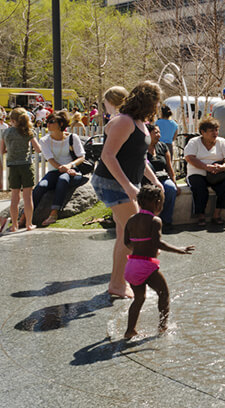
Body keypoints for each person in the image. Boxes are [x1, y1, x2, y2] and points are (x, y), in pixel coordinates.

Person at [92, 81, 164, 299]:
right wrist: (128, 186)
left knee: (125, 234)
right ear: (148, 102)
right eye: (156, 102)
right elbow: (108, 156)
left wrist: (154, 180)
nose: (157, 106)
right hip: (112, 184)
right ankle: (127, 282)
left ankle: (118, 283)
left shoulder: (139, 122)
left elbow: (139, 158)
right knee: (139, 233)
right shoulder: (124, 121)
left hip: (125, 184)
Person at [123, 185, 195, 339]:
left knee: (139, 299)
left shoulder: (131, 219)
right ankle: (163, 327)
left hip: (131, 266)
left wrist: (142, 247)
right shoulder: (155, 220)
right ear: (157, 203)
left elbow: (127, 242)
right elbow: (158, 243)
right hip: (146, 266)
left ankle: (130, 330)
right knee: (164, 293)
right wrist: (179, 249)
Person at [33, 110, 89, 227]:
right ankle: (25, 216)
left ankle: (54, 213)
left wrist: (69, 166)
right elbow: (50, 160)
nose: (48, 124)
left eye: (52, 121)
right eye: (47, 121)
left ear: (61, 124)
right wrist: (64, 168)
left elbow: (81, 157)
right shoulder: (44, 140)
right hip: (54, 171)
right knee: (41, 186)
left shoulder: (72, 138)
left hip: (73, 171)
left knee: (63, 179)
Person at [183, 117, 225, 227]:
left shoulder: (222, 142)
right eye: (211, 131)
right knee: (199, 187)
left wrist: (223, 166)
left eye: (216, 130)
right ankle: (201, 215)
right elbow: (189, 158)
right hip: (197, 172)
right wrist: (206, 167)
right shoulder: (194, 142)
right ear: (203, 132)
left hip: (217, 174)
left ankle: (217, 214)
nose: (215, 133)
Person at [0, 108, 43, 232]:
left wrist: (11, 150)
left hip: (13, 167)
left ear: (12, 120)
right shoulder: (28, 131)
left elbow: (2, 150)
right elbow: (38, 149)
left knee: (15, 197)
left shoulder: (6, 133)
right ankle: (29, 224)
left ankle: (14, 225)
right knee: (28, 197)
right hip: (26, 165)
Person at [146, 124, 178, 231]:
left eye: (159, 132)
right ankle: (150, 221)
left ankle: (166, 221)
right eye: (155, 132)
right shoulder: (141, 148)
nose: (158, 135)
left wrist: (175, 183)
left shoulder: (163, 146)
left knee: (171, 189)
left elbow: (169, 167)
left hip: (162, 177)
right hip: (147, 179)